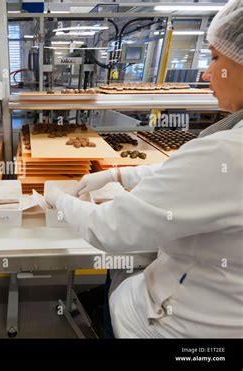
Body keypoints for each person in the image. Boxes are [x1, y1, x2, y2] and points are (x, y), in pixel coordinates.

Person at [46, 0, 243, 338]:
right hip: (223, 308)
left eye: (214, 58)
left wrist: (60, 199)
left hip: (181, 326)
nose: (206, 73)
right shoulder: (227, 149)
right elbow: (192, 180)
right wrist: (119, 174)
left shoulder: (227, 152)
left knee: (123, 269)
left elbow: (110, 230)